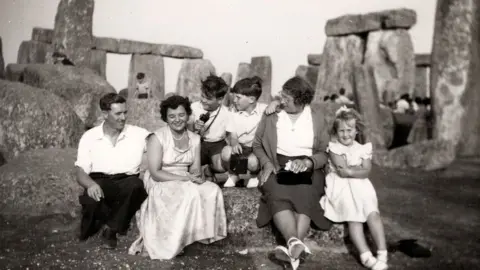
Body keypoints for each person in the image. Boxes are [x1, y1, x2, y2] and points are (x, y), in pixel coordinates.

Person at [129, 95, 227, 259]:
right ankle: (172, 242)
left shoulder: (195, 138)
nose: (177, 120)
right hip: (161, 177)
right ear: (165, 118)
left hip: (186, 177)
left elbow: (195, 169)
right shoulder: (157, 137)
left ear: (188, 115)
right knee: (183, 193)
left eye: (181, 115)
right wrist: (186, 179)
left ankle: (195, 235)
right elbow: (155, 172)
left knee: (212, 190)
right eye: (172, 116)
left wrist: (198, 178)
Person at [253, 76, 332, 270]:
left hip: (308, 167)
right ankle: (295, 244)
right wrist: (267, 164)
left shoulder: (317, 117)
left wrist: (308, 162)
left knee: (306, 191)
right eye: (283, 96)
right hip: (277, 164)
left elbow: (324, 152)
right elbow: (257, 144)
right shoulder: (272, 115)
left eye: (288, 99)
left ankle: (289, 246)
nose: (283, 101)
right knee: (277, 190)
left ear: (301, 101)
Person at [75, 93, 149, 249]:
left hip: (127, 182)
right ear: (104, 114)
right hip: (99, 181)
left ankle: (111, 230)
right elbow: (80, 172)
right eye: (118, 113)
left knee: (136, 186)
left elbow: (162, 142)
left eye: (125, 113)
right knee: (90, 208)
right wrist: (90, 185)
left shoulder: (138, 134)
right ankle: (97, 226)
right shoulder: (89, 136)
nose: (123, 118)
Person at [320, 106, 388, 270]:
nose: (346, 134)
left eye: (350, 130)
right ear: (336, 132)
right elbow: (342, 172)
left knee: (373, 213)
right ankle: (365, 255)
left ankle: (382, 252)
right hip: (341, 187)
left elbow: (366, 171)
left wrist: (352, 170)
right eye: (341, 130)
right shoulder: (334, 148)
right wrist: (356, 169)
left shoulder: (362, 148)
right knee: (354, 216)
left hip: (361, 187)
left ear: (356, 130)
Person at [221, 76, 267, 188]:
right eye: (234, 97)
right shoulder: (233, 113)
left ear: (251, 99)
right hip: (241, 146)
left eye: (238, 97)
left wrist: (275, 103)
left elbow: (278, 108)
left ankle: (254, 175)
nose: (235, 100)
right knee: (226, 153)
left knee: (253, 162)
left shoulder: (264, 110)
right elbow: (233, 134)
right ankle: (235, 175)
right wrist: (235, 143)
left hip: (255, 148)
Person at [189, 75, 231, 181]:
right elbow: (186, 131)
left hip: (217, 144)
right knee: (189, 166)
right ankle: (199, 168)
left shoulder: (226, 113)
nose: (203, 100)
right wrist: (193, 127)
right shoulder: (193, 108)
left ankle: (210, 169)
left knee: (221, 167)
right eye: (202, 96)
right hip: (199, 143)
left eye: (208, 98)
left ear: (220, 99)